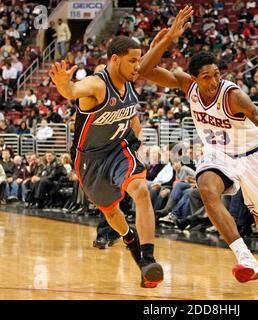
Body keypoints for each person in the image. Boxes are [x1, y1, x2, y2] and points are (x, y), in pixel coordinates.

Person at [138, 27, 258, 282]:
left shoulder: (234, 96)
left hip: (253, 157)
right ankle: (245, 257)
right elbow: (145, 70)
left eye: (216, 75)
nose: (213, 82)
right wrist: (166, 40)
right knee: (206, 187)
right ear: (194, 79)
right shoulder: (187, 86)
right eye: (206, 77)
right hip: (218, 154)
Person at [49, 6, 193, 288]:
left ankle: (147, 259)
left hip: (119, 148)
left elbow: (149, 60)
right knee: (111, 212)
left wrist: (169, 39)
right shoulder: (97, 85)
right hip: (89, 159)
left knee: (140, 190)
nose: (138, 66)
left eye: (139, 60)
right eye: (133, 61)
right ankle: (129, 240)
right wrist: (64, 86)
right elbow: (74, 91)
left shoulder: (128, 75)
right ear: (115, 61)